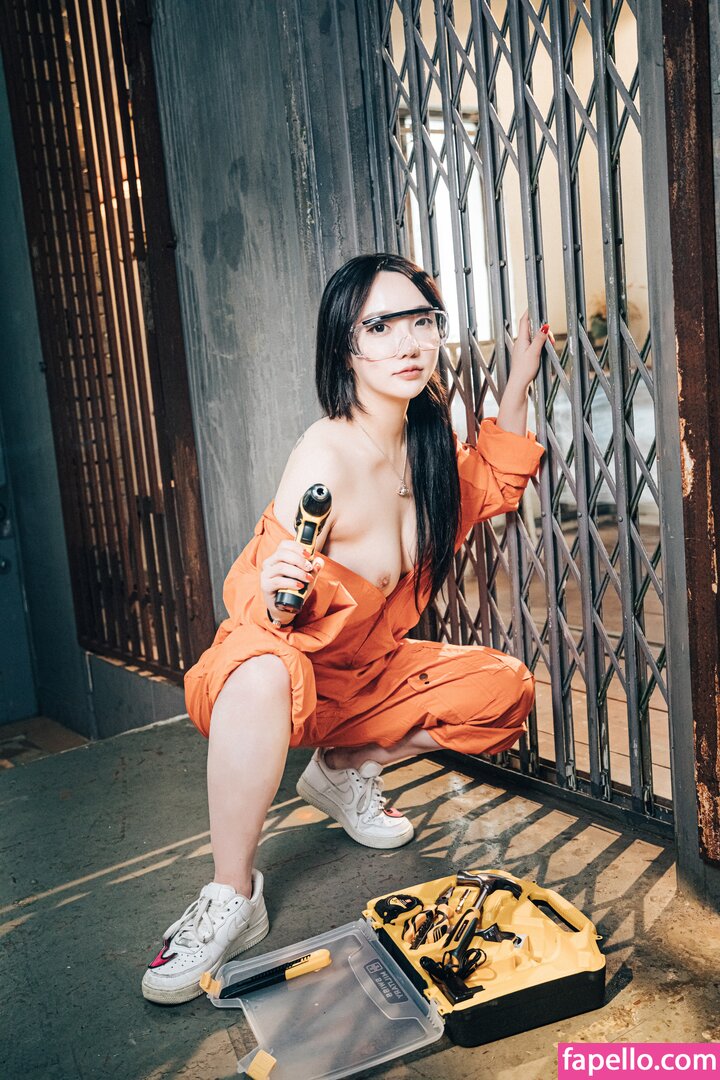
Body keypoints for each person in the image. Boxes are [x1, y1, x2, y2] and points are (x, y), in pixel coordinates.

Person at [141, 252, 548, 1005]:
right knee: (261, 667)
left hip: (368, 682)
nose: (408, 343)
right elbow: (269, 609)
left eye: (422, 321)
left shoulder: (426, 447)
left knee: (505, 690)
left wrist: (518, 381)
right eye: (380, 326)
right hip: (289, 682)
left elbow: (493, 481)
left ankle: (343, 767)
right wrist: (278, 593)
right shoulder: (323, 454)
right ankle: (232, 893)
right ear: (345, 346)